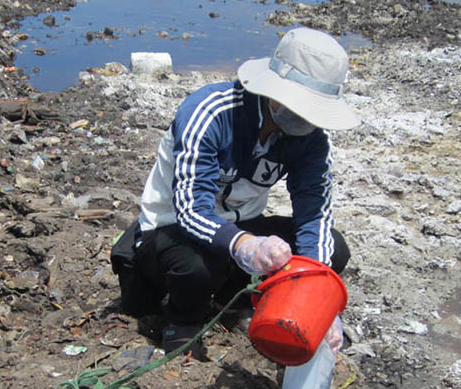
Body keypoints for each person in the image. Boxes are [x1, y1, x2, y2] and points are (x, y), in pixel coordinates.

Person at [111, 27, 360, 359]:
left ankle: (247, 303)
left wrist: (318, 295)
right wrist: (245, 245)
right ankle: (183, 323)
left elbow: (313, 211)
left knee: (333, 250)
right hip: (172, 232)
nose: (306, 118)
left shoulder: (311, 140)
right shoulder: (211, 113)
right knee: (198, 266)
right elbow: (191, 210)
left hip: (242, 229)